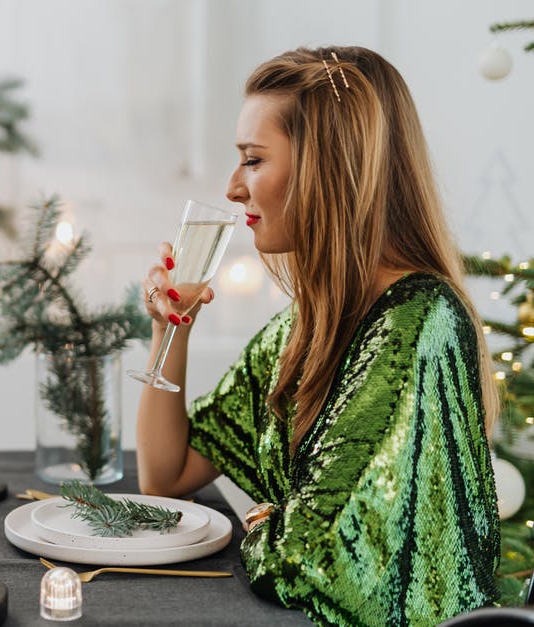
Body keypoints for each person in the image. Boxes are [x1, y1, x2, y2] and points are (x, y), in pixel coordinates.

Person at [136, 46, 500, 626]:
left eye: (253, 160)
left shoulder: (416, 320)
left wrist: (261, 523)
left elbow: (310, 560)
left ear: (326, 167)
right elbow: (166, 475)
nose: (233, 188)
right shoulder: (307, 325)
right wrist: (170, 328)